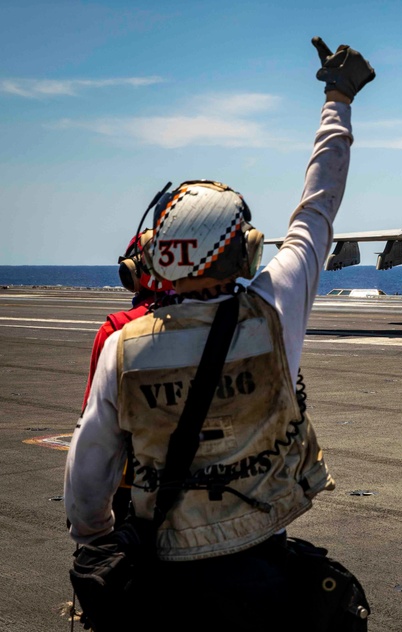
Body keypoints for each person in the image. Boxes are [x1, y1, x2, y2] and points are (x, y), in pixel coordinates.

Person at [64, 38, 375, 631]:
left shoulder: (122, 348)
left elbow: (87, 479)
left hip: (160, 575)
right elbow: (317, 210)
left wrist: (103, 543)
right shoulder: (273, 310)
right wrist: (339, 99)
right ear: (243, 250)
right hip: (262, 563)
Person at [81, 230, 173, 527]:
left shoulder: (117, 330)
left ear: (132, 272)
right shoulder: (216, 326)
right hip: (200, 487)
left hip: (130, 486)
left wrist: (83, 517)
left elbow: (93, 429)